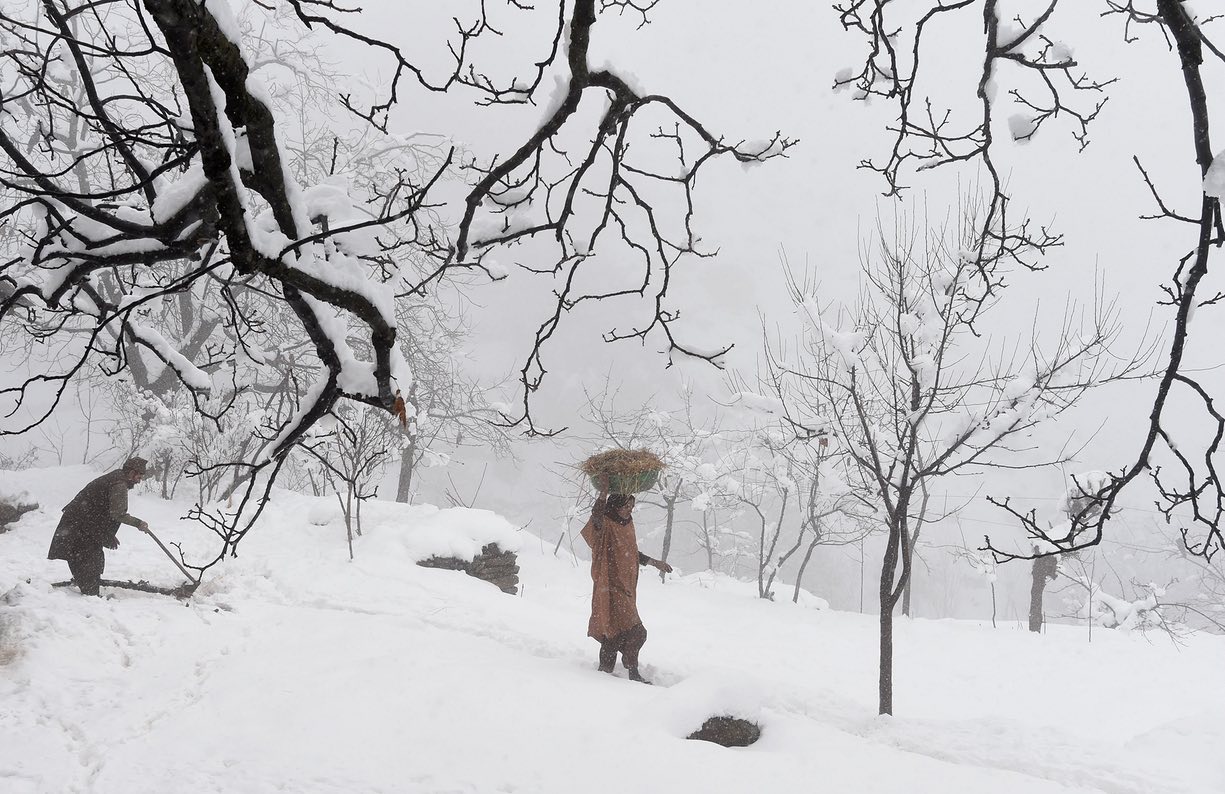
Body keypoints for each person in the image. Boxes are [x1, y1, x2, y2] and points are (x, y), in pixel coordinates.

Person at [579, 489, 672, 683]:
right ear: (615, 505)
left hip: (625, 587)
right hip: (610, 586)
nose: (629, 510)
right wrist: (603, 493)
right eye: (625, 506)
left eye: (632, 506)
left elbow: (630, 552)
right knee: (636, 632)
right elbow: (595, 519)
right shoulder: (605, 523)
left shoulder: (627, 525)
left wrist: (655, 563)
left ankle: (606, 672)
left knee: (615, 632)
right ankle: (632, 672)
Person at [48, 457, 152, 596]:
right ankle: (90, 597)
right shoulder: (118, 484)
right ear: (132, 472)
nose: (139, 480)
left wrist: (107, 534)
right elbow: (117, 514)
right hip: (80, 525)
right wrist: (139, 523)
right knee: (88, 559)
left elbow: (100, 510)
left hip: (80, 524)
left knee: (86, 557)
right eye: (138, 476)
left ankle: (89, 590)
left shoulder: (114, 478)